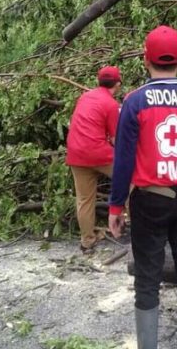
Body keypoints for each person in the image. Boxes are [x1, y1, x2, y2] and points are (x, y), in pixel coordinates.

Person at [108, 26, 177, 349]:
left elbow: (123, 160)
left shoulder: (134, 102)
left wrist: (115, 207)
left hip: (150, 200)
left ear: (146, 60)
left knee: (147, 279)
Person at [66, 66, 122, 253]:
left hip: (75, 153)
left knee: (84, 199)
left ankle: (87, 242)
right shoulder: (111, 104)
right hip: (98, 152)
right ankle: (128, 221)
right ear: (118, 84)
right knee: (131, 178)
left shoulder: (84, 96)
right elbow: (115, 139)